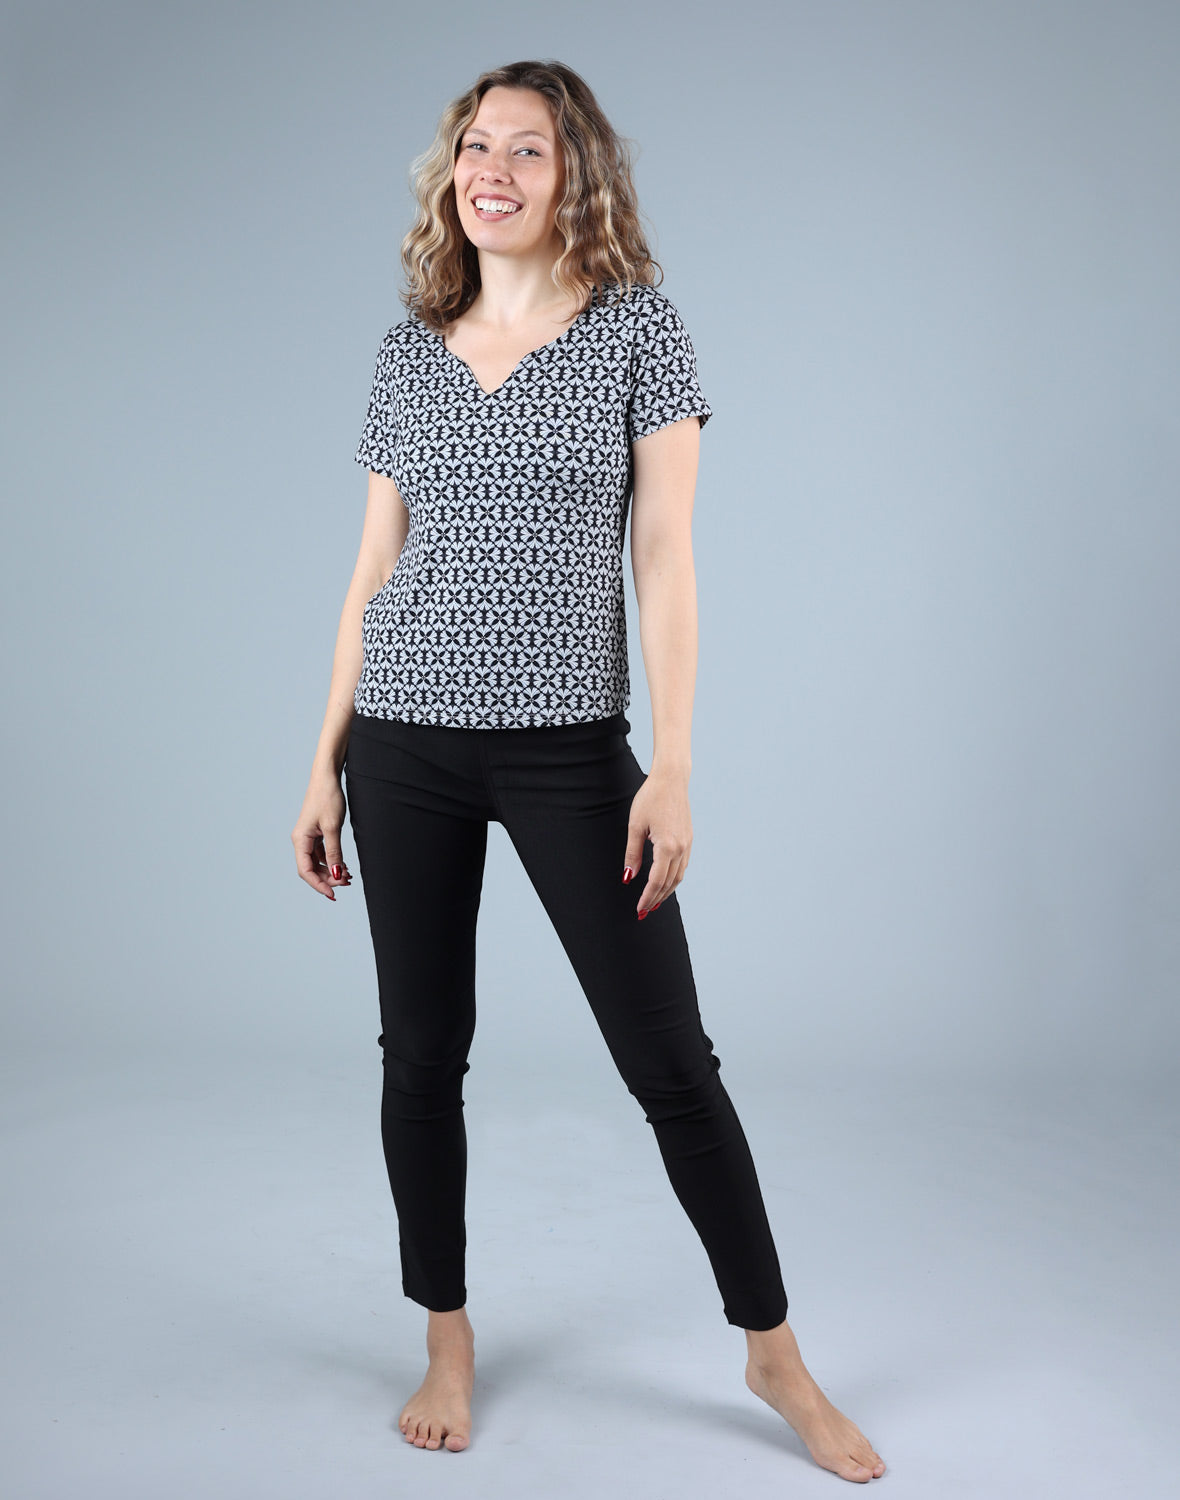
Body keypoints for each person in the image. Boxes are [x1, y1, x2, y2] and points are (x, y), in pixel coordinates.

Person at [291, 58, 886, 1482]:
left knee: (671, 1061)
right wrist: (322, 762)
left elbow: (666, 555)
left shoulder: (637, 331)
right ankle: (446, 1339)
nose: (492, 171)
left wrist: (670, 763)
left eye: (527, 150)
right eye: (474, 146)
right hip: (405, 742)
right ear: (450, 171)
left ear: (577, 178)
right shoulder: (408, 347)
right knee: (421, 1055)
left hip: (570, 751)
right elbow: (371, 571)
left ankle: (774, 1356)